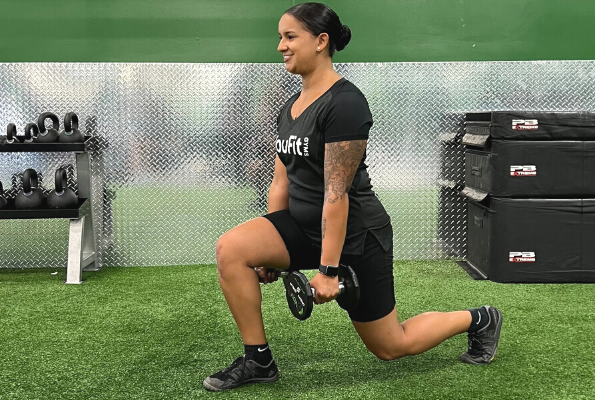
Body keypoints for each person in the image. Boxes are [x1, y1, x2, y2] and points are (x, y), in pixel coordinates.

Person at [203, 2, 503, 392]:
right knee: (232, 248)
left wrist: (328, 271)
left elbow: (336, 194)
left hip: (357, 235)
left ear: (321, 41)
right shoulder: (290, 109)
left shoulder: (344, 103)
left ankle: (479, 319)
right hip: (304, 225)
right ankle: (258, 360)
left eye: (290, 36)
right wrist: (271, 248)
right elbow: (281, 181)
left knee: (391, 345)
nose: (281, 46)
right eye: (280, 37)